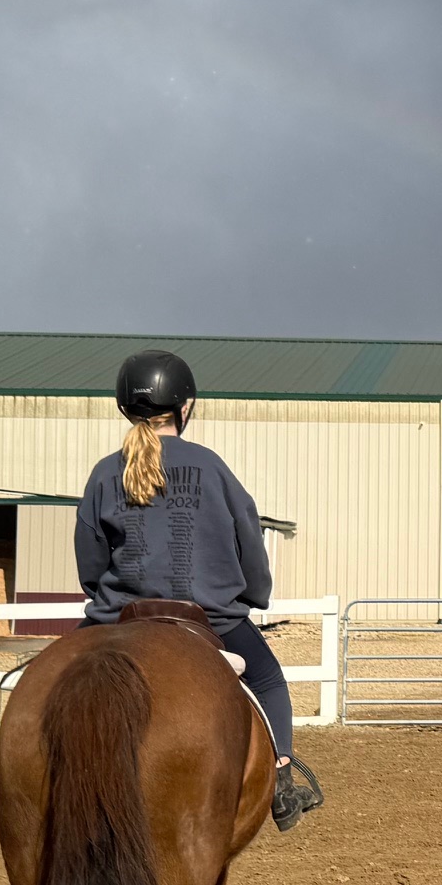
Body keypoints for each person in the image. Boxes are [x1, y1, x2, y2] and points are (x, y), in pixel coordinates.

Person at [77, 348, 313, 831]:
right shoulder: (210, 466)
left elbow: (90, 558)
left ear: (125, 408)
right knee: (268, 681)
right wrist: (249, 597)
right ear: (185, 408)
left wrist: (104, 600)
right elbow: (248, 538)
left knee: (57, 679)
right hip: (211, 619)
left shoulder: (105, 472)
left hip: (121, 617)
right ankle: (283, 786)